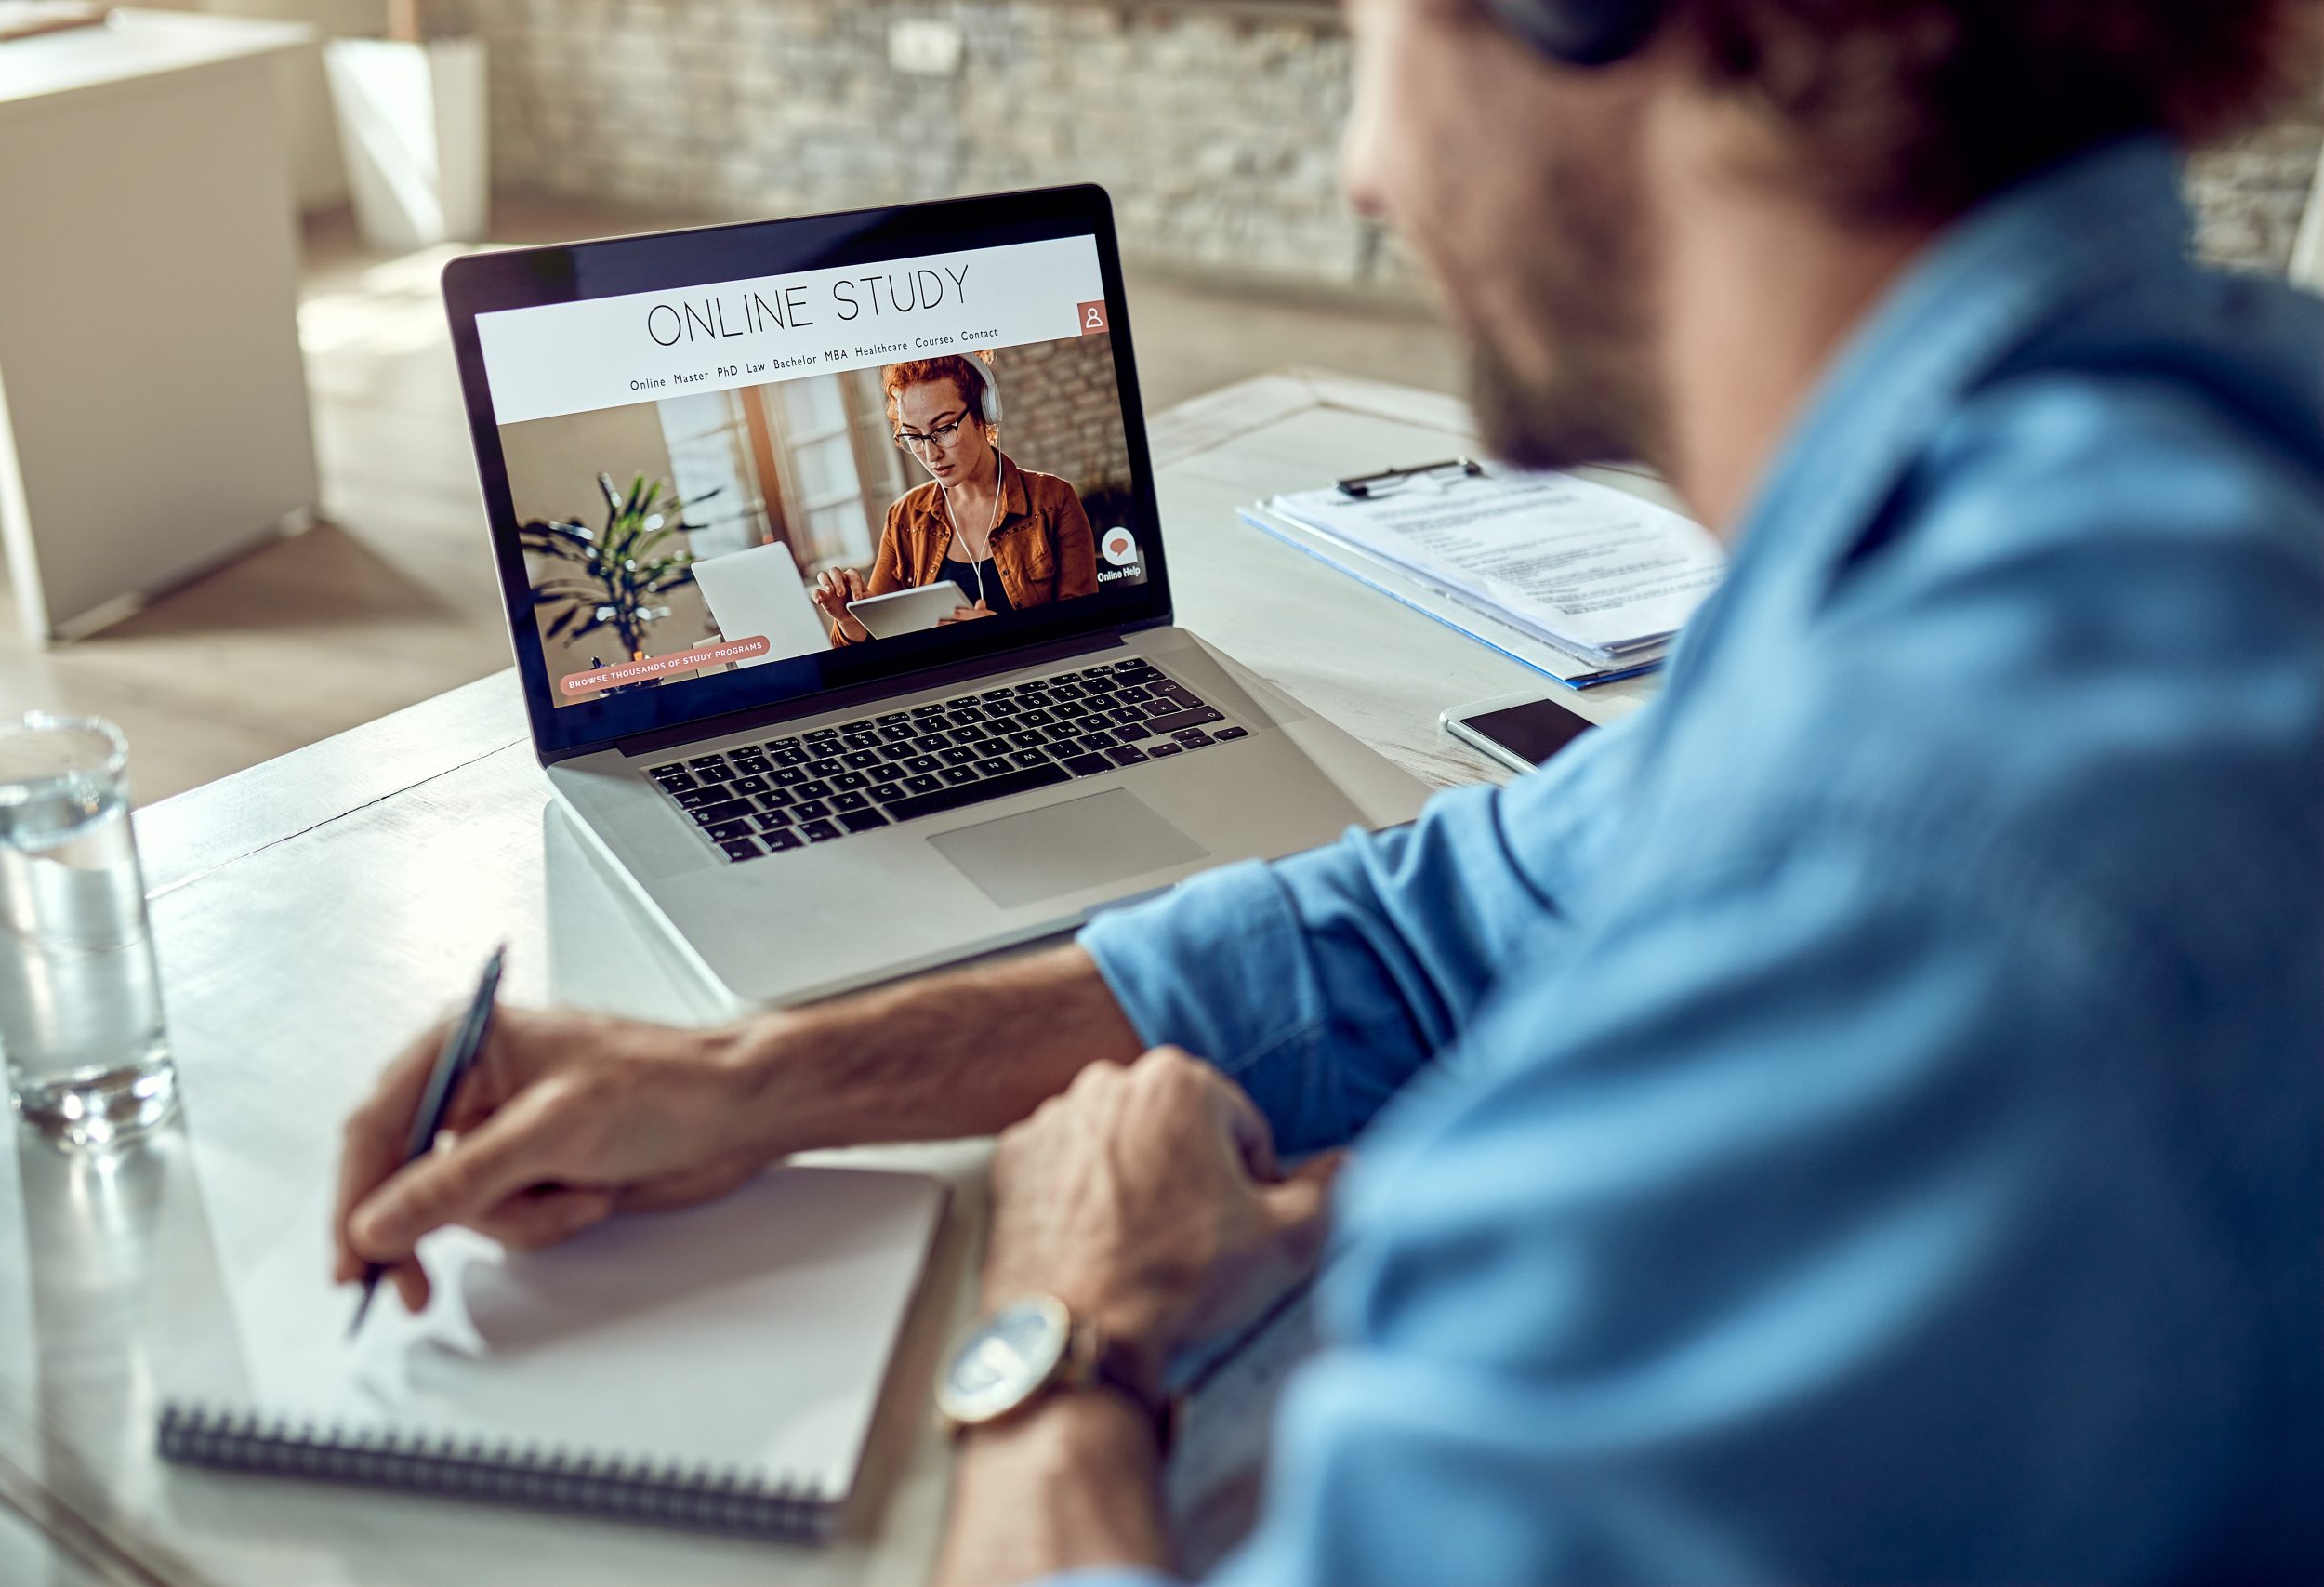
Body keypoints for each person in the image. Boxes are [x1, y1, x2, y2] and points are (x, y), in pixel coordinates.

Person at [334, 1, 2324, 1582]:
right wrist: (765, 1072)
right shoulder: (2070, 495)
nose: (1367, 176)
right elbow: (1417, 923)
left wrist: (1059, 1339)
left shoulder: (1927, 871)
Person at [812, 353, 1100, 641]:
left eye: (944, 429)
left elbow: (1087, 633)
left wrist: (1007, 635)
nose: (931, 454)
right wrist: (850, 620)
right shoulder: (904, 518)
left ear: (982, 412)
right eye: (914, 436)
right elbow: (875, 659)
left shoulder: (1053, 501)